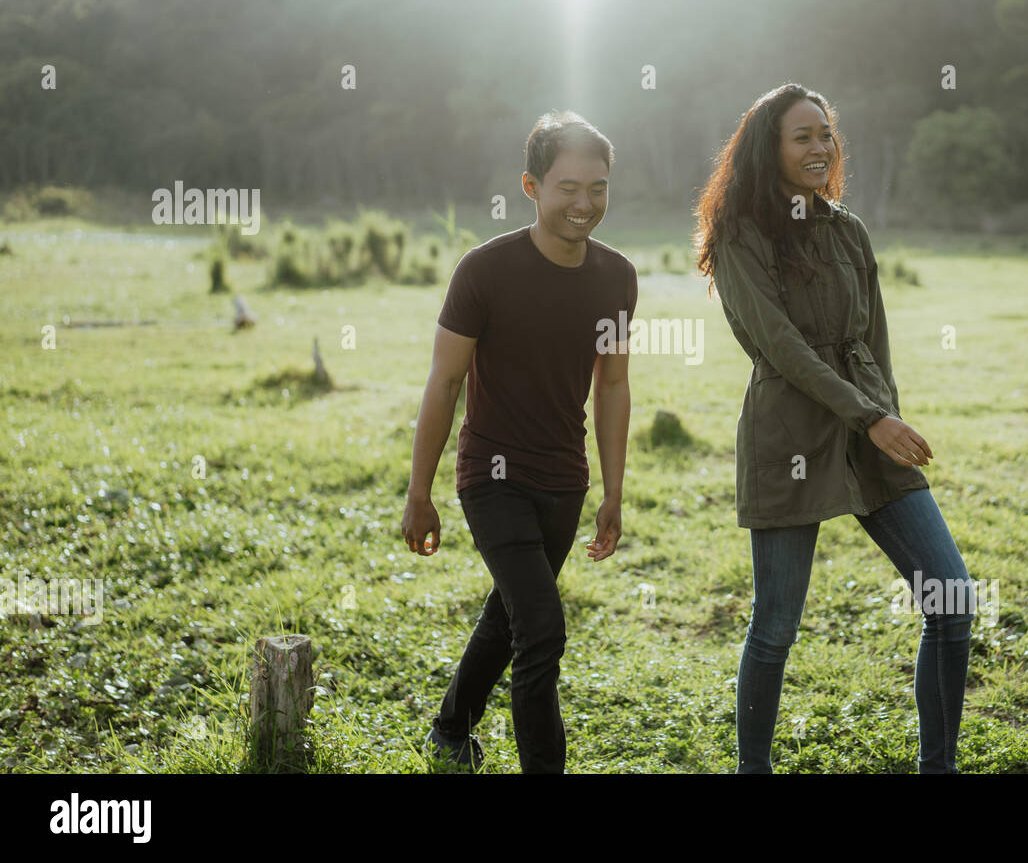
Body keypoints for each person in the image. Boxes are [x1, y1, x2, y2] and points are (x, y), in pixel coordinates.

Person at [693, 83, 977, 774]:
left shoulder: (848, 230)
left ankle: (937, 766)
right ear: (770, 148)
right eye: (802, 136)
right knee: (776, 626)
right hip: (790, 434)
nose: (820, 147)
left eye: (826, 134)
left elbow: (874, 341)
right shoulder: (740, 234)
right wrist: (870, 416)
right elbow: (780, 348)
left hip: (871, 431)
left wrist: (888, 417)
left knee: (953, 599)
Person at [401, 110, 636, 774]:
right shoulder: (485, 270)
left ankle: (450, 729)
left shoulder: (617, 277)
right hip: (492, 477)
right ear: (531, 187)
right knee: (542, 628)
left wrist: (614, 490)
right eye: (568, 187)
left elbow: (613, 385)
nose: (584, 202)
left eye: (598, 186)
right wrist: (419, 494)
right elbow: (444, 383)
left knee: (510, 618)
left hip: (565, 479)